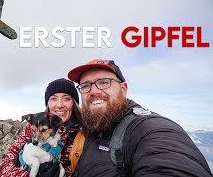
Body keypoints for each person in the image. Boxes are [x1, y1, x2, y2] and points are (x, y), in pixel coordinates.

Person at [67, 59, 212, 176]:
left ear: (123, 89)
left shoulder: (149, 129)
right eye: (85, 85)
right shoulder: (90, 126)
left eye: (104, 82)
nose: (93, 91)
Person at [0, 78, 81, 177]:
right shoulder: (31, 129)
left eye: (66, 98)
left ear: (74, 102)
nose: (59, 105)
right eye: (53, 99)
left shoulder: (84, 135)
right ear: (48, 103)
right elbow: (2, 169)